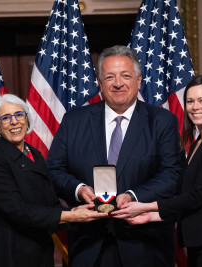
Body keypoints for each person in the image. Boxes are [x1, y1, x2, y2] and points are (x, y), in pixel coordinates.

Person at [46, 45, 181, 267]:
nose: (118, 83)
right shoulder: (74, 121)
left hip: (146, 245)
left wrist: (132, 195)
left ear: (138, 80)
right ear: (100, 83)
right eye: (110, 77)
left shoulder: (162, 122)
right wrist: (79, 190)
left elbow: (172, 174)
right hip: (89, 245)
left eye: (125, 76)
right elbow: (54, 170)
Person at [112, 75, 202, 267]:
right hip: (201, 245)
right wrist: (152, 216)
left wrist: (145, 206)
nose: (195, 107)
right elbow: (185, 199)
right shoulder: (199, 144)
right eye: (190, 101)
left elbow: (196, 196)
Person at [0, 94, 107, 267]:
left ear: (27, 120)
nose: (14, 122)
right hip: (5, 254)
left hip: (39, 253)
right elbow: (18, 211)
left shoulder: (35, 155)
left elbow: (50, 205)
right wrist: (73, 215)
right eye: (6, 118)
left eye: (19, 115)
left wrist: (80, 211)